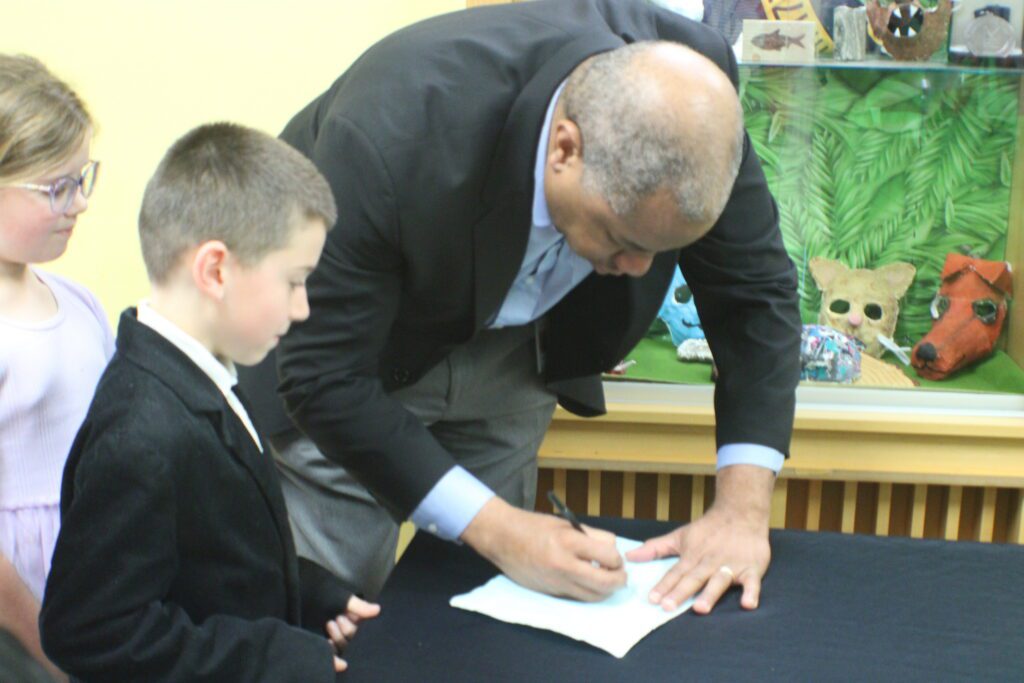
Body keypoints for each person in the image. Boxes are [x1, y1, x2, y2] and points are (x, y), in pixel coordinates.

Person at [239, 0, 801, 612]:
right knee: (332, 617)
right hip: (359, 352)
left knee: (485, 613)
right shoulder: (391, 127)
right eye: (623, 240)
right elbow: (323, 377)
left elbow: (753, 293)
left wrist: (741, 513)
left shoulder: (693, 95)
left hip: (523, 351)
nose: (640, 271)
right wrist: (502, 530)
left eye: (662, 250)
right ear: (565, 148)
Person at [40, 123, 379, 682]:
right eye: (295, 282)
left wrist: (310, 593)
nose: (302, 309)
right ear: (216, 270)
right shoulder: (140, 436)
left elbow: (207, 556)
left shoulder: (205, 376)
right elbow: (89, 629)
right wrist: (271, 656)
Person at [0, 53, 113, 682]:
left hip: (88, 581)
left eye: (83, 178)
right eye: (56, 188)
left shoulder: (79, 303)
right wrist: (45, 652)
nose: (79, 203)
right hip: (19, 613)